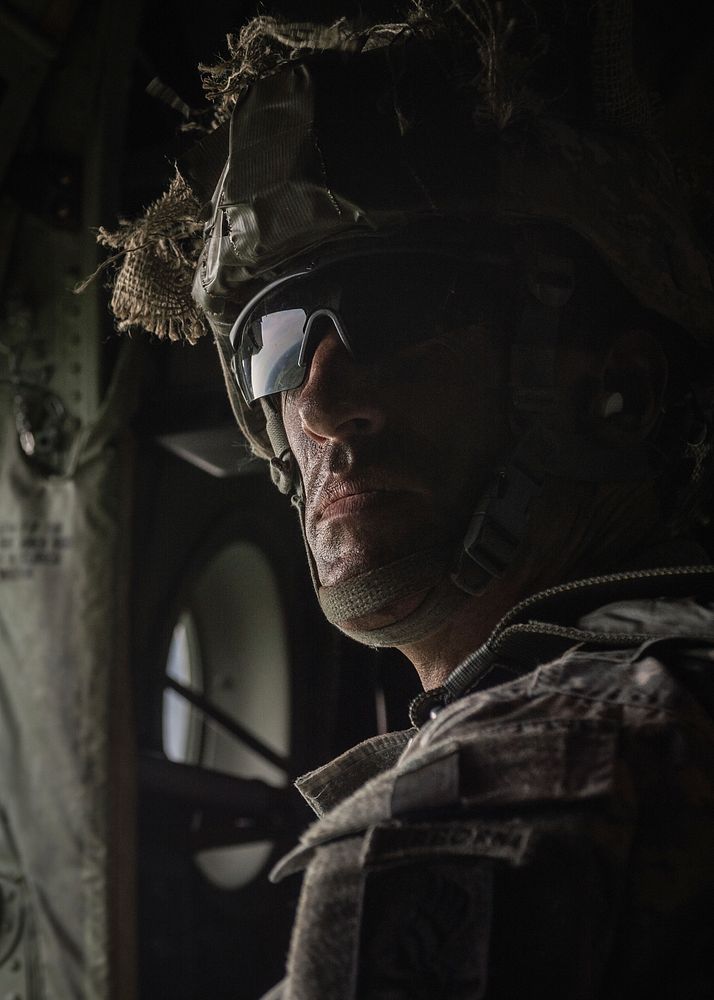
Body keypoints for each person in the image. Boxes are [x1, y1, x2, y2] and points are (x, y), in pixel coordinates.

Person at [105, 2, 714, 996]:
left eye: (391, 312)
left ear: (622, 394)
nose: (323, 403)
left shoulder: (466, 825)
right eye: (279, 343)